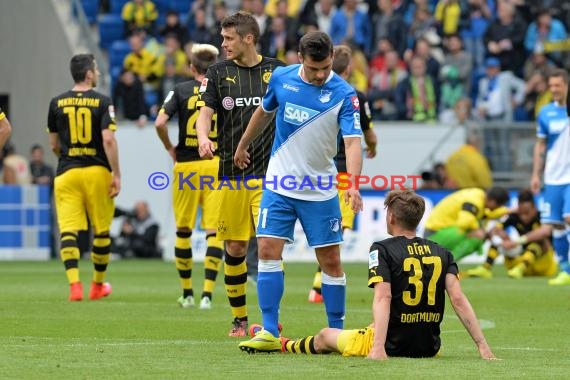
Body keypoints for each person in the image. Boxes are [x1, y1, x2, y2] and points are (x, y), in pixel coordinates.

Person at [240, 190, 496, 360]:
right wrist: (483, 347)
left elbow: (383, 297)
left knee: (325, 336)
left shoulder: (382, 249)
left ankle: (283, 343)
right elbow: (458, 300)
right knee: (371, 325)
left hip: (392, 345)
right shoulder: (442, 252)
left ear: (391, 216)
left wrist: (378, 348)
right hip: (429, 347)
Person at [235, 31, 363, 353]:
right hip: (280, 183)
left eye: (325, 67)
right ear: (300, 57)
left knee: (330, 260)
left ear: (333, 56)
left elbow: (352, 143)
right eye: (313, 68)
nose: (320, 75)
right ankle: (268, 330)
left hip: (319, 188)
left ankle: (336, 333)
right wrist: (243, 144)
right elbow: (264, 112)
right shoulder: (281, 78)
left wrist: (354, 184)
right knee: (266, 249)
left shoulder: (345, 95)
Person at [196, 11, 285, 335]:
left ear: (248, 38)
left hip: (270, 177)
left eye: (228, 38)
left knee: (267, 248)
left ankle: (270, 320)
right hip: (229, 176)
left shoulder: (277, 71)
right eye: (222, 38)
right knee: (234, 249)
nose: (223, 44)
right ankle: (239, 318)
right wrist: (204, 137)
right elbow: (204, 115)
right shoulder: (218, 73)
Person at [155, 43, 225, 310]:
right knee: (213, 230)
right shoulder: (223, 89)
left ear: (192, 67)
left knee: (183, 229)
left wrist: (169, 147)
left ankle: (187, 293)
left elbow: (160, 122)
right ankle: (207, 295)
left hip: (186, 166)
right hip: (215, 164)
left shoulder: (181, 90)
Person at [47, 54, 121, 301]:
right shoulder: (102, 101)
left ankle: (74, 286)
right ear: (89, 74)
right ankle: (97, 286)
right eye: (96, 70)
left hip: (66, 172)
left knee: (68, 231)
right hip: (96, 171)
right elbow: (108, 140)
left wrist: (67, 156)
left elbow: (53, 144)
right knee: (101, 230)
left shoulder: (56, 102)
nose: (98, 73)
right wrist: (116, 174)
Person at [308, 44, 378, 304]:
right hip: (343, 172)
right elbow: (368, 133)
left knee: (323, 226)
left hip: (316, 170)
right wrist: (373, 147)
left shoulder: (314, 91)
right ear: (348, 69)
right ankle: (318, 286)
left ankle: (318, 285)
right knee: (336, 229)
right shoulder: (355, 96)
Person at [530, 69, 570, 285]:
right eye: (551, 85)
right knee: (556, 225)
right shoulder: (546, 112)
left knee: (568, 218)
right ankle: (564, 270)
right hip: (553, 176)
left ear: (566, 85)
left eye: (558, 85)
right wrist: (536, 174)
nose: (554, 89)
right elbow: (540, 145)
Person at [466, 189, 558, 279]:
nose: (523, 217)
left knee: (539, 242)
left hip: (543, 266)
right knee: (499, 240)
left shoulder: (542, 217)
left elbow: (544, 233)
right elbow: (494, 230)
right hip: (519, 264)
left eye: (527, 213)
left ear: (534, 208)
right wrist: (502, 238)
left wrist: (517, 241)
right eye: (521, 213)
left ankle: (521, 268)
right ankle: (485, 269)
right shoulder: (514, 217)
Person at [424, 187, 510, 261]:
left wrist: (508, 211)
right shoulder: (475, 201)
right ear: (493, 201)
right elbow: (464, 223)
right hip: (434, 235)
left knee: (480, 233)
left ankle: (444, 264)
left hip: (438, 232)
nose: (497, 209)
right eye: (499, 206)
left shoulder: (479, 195)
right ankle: (446, 266)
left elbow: (486, 214)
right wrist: (479, 230)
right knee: (477, 237)